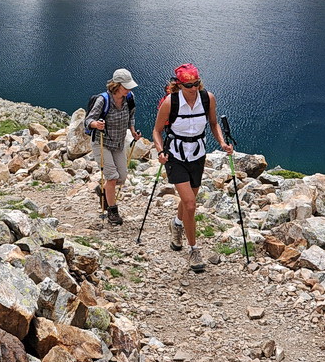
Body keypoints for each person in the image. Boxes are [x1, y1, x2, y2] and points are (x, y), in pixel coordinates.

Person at [153, 63, 232, 273]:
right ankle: (194, 249)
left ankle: (176, 225)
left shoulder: (208, 98)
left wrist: (222, 143)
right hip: (176, 155)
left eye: (197, 83)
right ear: (179, 85)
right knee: (190, 204)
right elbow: (157, 131)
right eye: (189, 85)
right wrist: (160, 151)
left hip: (197, 154)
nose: (194, 88)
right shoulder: (171, 102)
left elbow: (213, 123)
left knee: (190, 200)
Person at [85, 69, 141, 226]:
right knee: (112, 177)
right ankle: (112, 212)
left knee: (121, 177)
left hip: (118, 143)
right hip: (101, 142)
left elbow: (131, 117)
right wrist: (96, 124)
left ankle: (103, 191)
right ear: (116, 85)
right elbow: (88, 120)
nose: (129, 89)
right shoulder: (103, 100)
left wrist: (133, 131)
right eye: (126, 86)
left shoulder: (129, 98)